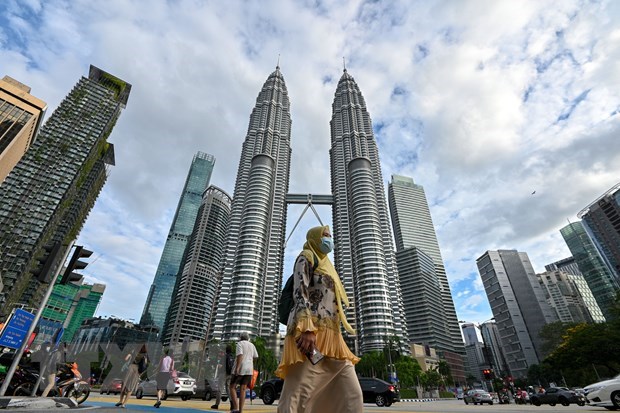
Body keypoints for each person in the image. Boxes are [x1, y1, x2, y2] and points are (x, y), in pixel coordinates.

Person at [276, 225, 363, 412]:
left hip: (333, 338)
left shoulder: (328, 266)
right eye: (325, 235)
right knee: (298, 391)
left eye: (330, 236)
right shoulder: (306, 256)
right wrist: (307, 328)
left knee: (351, 392)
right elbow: (300, 292)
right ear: (315, 238)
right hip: (309, 332)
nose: (329, 239)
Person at [228, 332, 258, 413]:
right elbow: (255, 357)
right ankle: (240, 410)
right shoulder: (252, 345)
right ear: (248, 338)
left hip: (241, 368)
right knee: (243, 389)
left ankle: (236, 408)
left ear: (240, 338)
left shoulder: (240, 344)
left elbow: (240, 355)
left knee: (232, 387)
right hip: (249, 369)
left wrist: (237, 368)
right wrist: (250, 362)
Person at [211, 344, 234, 410]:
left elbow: (220, 366)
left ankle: (216, 404)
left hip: (223, 374)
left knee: (220, 389)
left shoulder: (224, 357)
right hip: (230, 374)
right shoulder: (232, 357)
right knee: (228, 389)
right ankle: (232, 403)